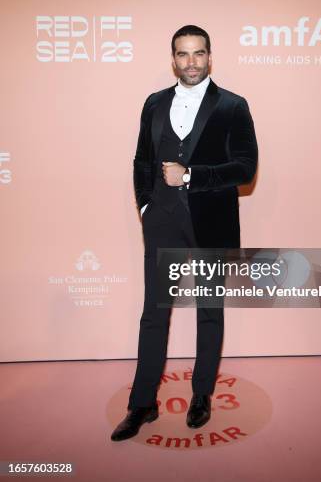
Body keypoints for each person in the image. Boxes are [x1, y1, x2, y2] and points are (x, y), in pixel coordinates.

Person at [111, 24, 258, 441]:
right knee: (154, 314)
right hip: (162, 222)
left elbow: (246, 168)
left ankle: (202, 394)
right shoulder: (154, 104)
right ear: (172, 58)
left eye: (198, 54)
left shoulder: (233, 106)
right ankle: (142, 403)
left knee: (209, 311)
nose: (190, 62)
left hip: (211, 222)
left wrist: (192, 174)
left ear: (210, 57)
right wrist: (145, 205)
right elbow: (141, 158)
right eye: (182, 54)